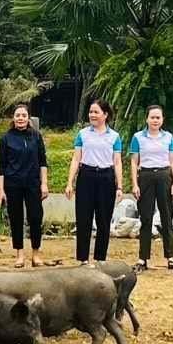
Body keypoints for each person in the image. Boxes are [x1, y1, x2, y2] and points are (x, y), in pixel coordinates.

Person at [65, 99, 123, 266]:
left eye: (96, 112)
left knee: (104, 220)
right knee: (84, 218)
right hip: (86, 176)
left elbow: (117, 162)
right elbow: (76, 159)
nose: (92, 115)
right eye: (91, 112)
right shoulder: (83, 134)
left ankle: (100, 259)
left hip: (106, 178)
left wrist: (119, 186)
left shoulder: (114, 137)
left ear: (105, 115)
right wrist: (70, 182)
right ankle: (83, 259)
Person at [0, 103, 49, 268]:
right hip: (13, 183)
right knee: (16, 218)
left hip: (33, 183)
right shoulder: (6, 138)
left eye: (23, 115)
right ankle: (19, 254)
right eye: (17, 115)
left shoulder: (36, 136)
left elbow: (43, 162)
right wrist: (0, 189)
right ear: (13, 118)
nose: (20, 118)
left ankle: (36, 254)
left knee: (35, 217)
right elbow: (2, 166)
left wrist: (44, 184)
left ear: (28, 118)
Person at [129, 104, 173, 272]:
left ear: (162, 119)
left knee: (167, 217)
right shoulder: (138, 137)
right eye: (152, 117)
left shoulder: (169, 137)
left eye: (158, 117)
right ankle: (143, 259)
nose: (155, 120)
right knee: (146, 218)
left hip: (164, 176)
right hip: (146, 177)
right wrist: (135, 184)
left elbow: (172, 161)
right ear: (147, 119)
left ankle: (170, 257)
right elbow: (134, 161)